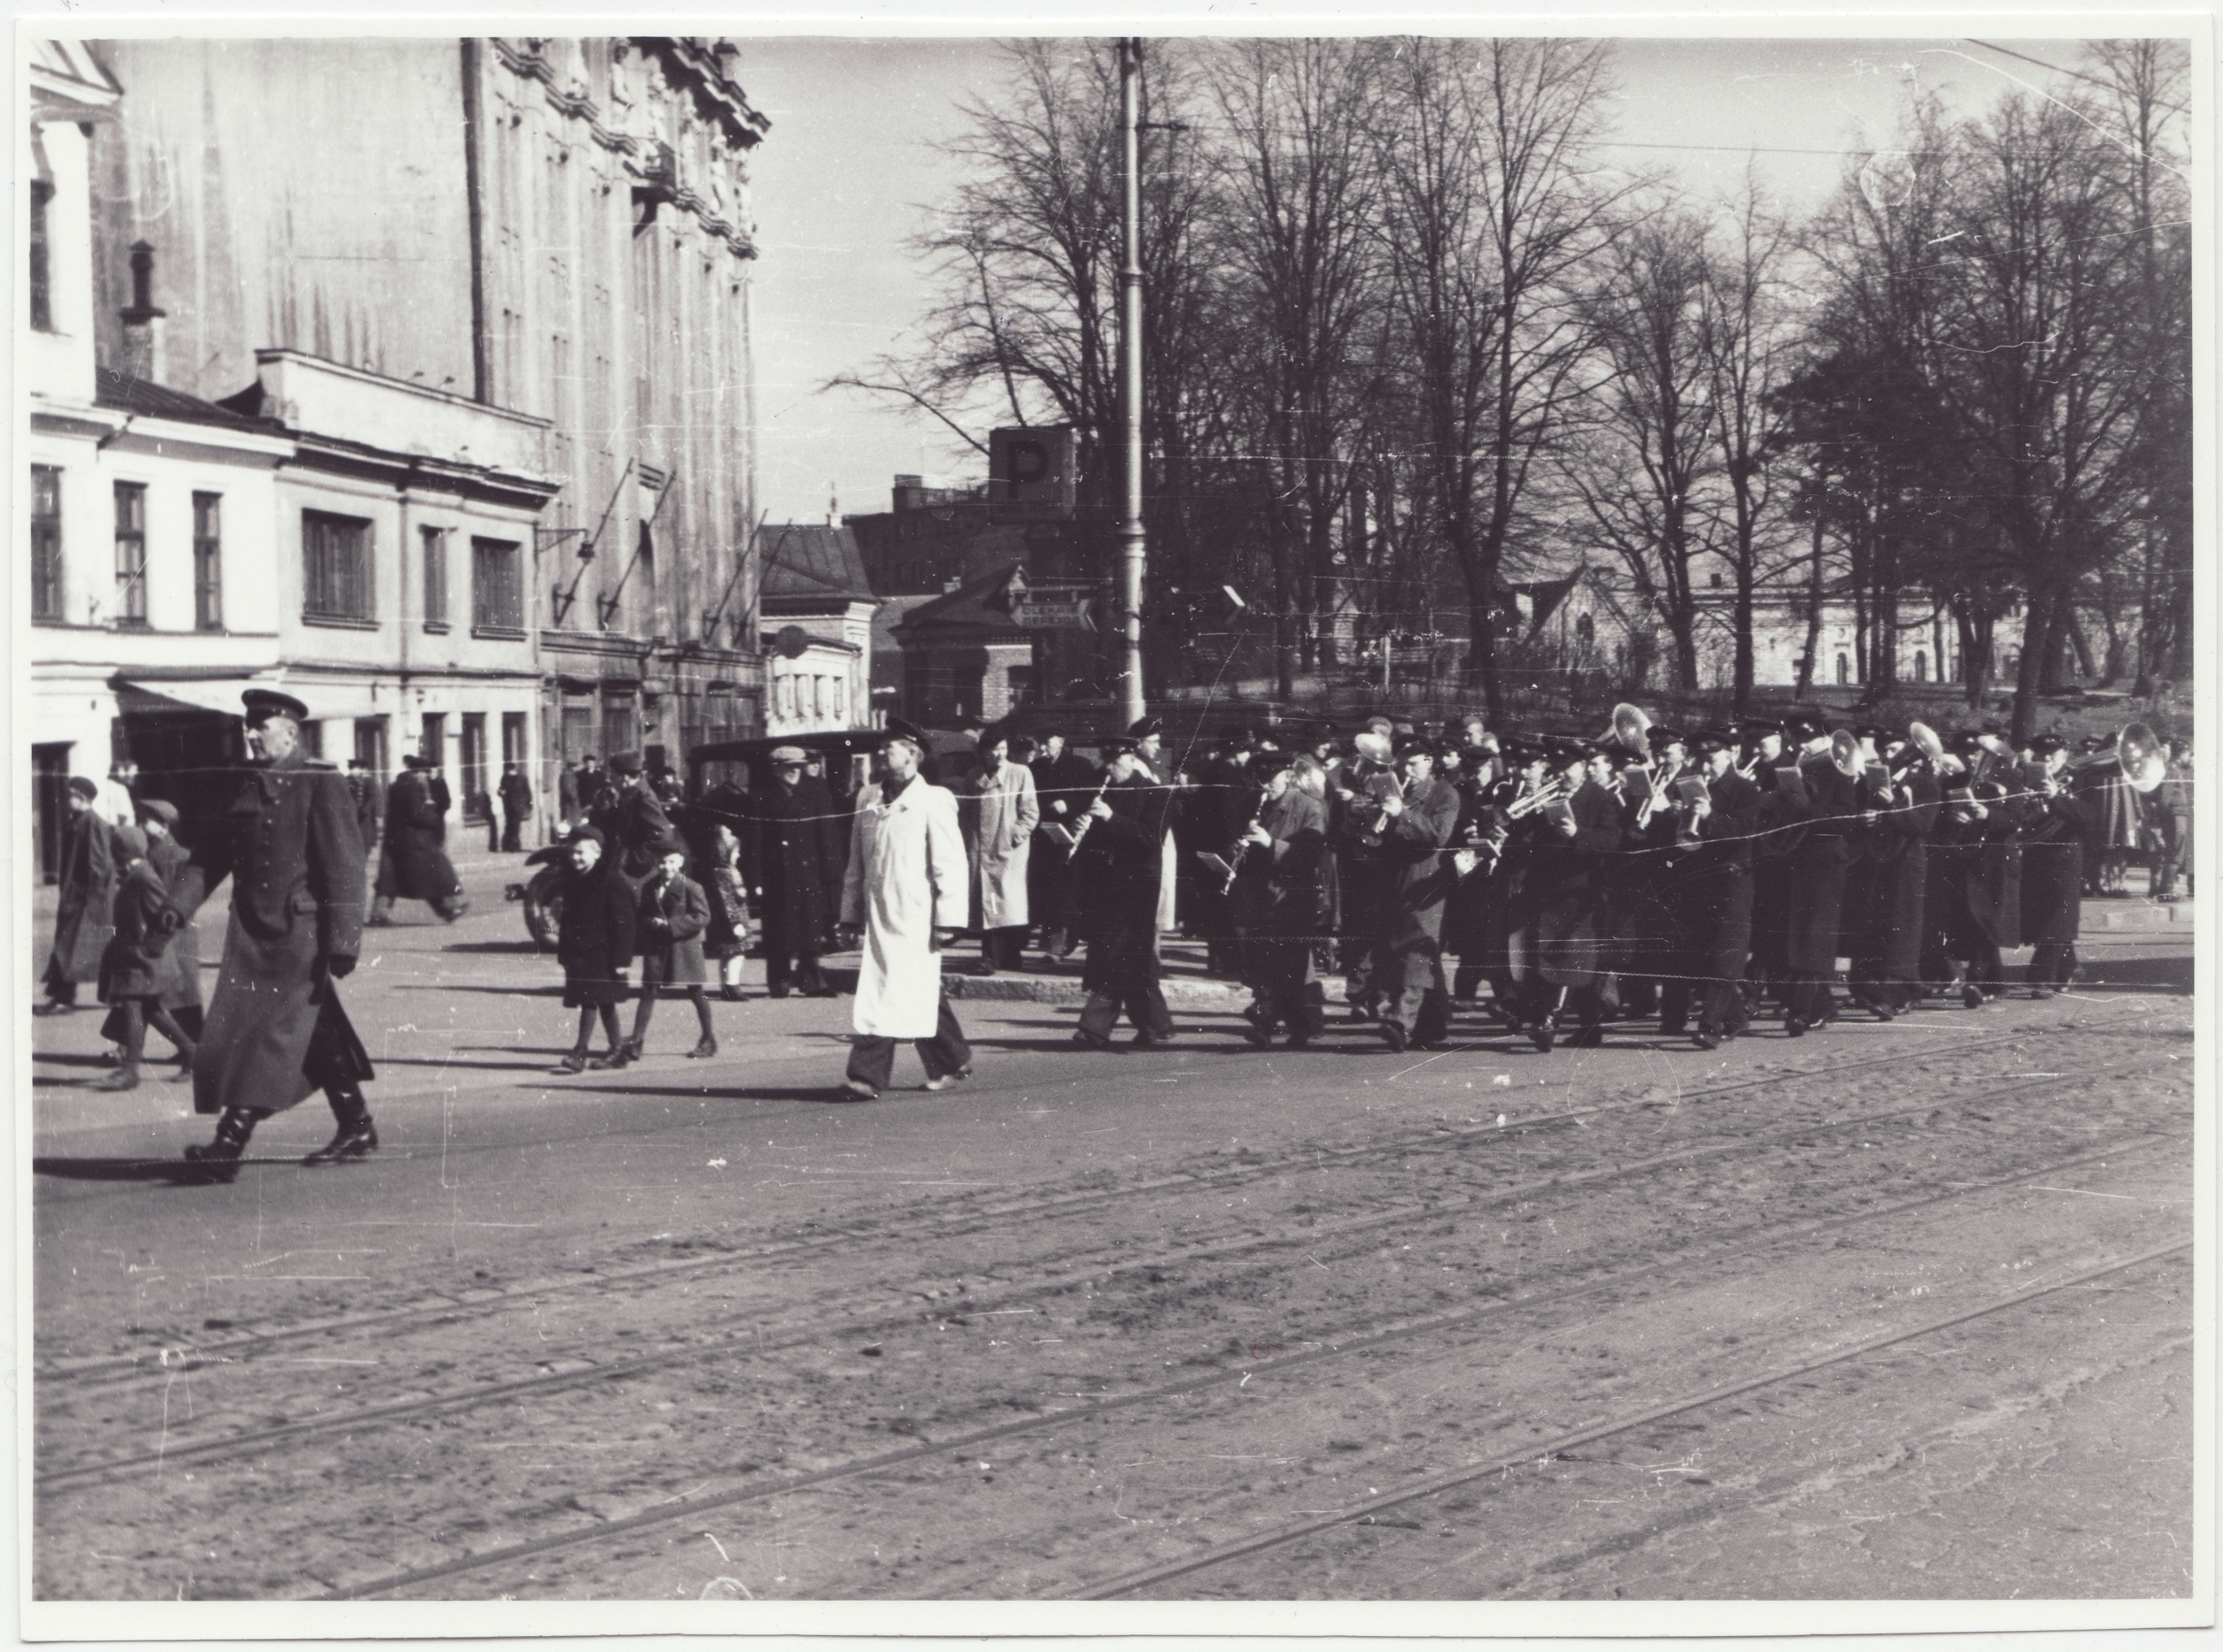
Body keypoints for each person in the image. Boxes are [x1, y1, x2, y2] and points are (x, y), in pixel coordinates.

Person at [169, 688, 377, 1177]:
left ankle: (228, 1145)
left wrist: (344, 941)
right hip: (252, 937)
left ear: (289, 730)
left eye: (260, 725)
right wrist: (175, 908)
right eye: (248, 725)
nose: (251, 733)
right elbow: (210, 854)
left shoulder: (319, 783)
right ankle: (357, 1124)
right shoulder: (246, 784)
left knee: (262, 1038)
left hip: (298, 936)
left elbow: (345, 867)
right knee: (311, 1032)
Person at [836, 723, 972, 1099]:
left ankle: (865, 1077)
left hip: (917, 915)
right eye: (881, 748)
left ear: (914, 755)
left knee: (886, 991)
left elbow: (951, 862)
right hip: (880, 913)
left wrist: (950, 919)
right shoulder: (867, 797)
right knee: (914, 988)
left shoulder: (935, 799)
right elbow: (855, 863)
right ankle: (951, 1059)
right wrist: (849, 915)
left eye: (891, 748)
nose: (883, 754)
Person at [1654, 729, 1763, 1049]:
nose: (1706, 767)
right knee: (1701, 954)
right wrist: (1673, 817)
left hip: (1732, 879)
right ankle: (1735, 1017)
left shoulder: (1745, 789)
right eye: (1701, 760)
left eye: (1712, 760)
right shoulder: (1689, 786)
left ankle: (1710, 1026)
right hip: (1697, 879)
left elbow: (1745, 831)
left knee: (1724, 954)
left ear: (1729, 755)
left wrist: (1709, 817)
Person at [1356, 739, 1463, 1053]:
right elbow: (1376, 839)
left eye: (1414, 763)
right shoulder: (1395, 789)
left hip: (1426, 881)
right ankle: (1436, 1022)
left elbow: (1435, 835)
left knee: (1417, 950)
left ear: (1430, 761)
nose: (1407, 770)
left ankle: (1399, 1021)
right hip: (1394, 880)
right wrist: (1376, 817)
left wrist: (1402, 813)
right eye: (1402, 764)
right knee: (1411, 951)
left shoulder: (1445, 793)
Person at [1072, 738, 1178, 1049]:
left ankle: (1094, 1028)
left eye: (1115, 761)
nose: (1109, 767)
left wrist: (1111, 818)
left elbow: (1149, 838)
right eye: (1105, 761)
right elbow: (1096, 846)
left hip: (1138, 888)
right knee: (1131, 958)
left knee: (1115, 953)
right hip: (1106, 887)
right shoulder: (1103, 793)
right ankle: (1156, 1026)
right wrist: (1079, 830)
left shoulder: (1156, 795)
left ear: (1132, 759)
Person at [1229, 752, 1332, 1046]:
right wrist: (1236, 852)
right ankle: (1296, 1026)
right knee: (1264, 963)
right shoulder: (1251, 805)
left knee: (1289, 967)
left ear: (1287, 775)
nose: (1264, 786)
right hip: (1260, 896)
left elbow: (1310, 854)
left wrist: (1270, 844)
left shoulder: (1309, 807)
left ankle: (1268, 1022)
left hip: (1293, 898)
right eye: (1259, 779)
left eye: (1270, 779)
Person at [91, 822, 197, 1091]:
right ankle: (192, 1054)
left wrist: (152, 947)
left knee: (132, 1006)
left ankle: (130, 1072)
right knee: (151, 1010)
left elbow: (165, 917)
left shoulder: (144, 877)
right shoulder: (133, 874)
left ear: (122, 851)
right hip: (136, 958)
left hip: (145, 959)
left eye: (114, 850)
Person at [745, 746, 844, 997]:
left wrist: (830, 873)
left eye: (798, 767)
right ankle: (779, 981)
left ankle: (814, 981)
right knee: (778, 929)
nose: (794, 772)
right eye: (788, 768)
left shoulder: (815, 793)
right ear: (776, 770)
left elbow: (828, 834)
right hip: (777, 875)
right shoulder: (761, 797)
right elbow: (754, 841)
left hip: (808, 873)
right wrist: (755, 878)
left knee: (810, 928)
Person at [546, 825, 638, 1073]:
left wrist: (622, 958)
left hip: (603, 954)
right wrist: (564, 952)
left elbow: (625, 921)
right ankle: (617, 1050)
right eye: (572, 852)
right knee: (604, 1002)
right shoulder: (574, 879)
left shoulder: (610, 879)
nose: (575, 857)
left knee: (589, 1001)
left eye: (581, 853)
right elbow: (567, 920)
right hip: (580, 954)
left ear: (597, 853)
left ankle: (580, 1053)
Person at [624, 834, 718, 1059]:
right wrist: (650, 923)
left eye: (671, 862)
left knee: (696, 991)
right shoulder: (649, 886)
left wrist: (670, 925)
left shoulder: (691, 887)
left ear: (681, 862)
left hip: (685, 947)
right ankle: (636, 1041)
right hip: (657, 947)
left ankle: (708, 1038)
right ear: (655, 864)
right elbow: (642, 914)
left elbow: (702, 917)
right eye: (661, 862)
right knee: (648, 991)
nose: (666, 867)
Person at [36, 775, 116, 1015]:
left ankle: (64, 999)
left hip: (84, 899)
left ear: (82, 797)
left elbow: (99, 864)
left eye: (71, 794)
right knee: (69, 947)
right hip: (74, 896)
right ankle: (64, 996)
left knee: (70, 948)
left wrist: (89, 898)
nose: (66, 799)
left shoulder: (93, 823)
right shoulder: (78, 820)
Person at [962, 731, 1038, 974]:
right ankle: (995, 956)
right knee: (990, 902)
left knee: (1004, 903)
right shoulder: (974, 776)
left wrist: (1014, 836)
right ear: (983, 751)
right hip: (981, 848)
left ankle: (1002, 956)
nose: (1000, 754)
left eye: (1003, 748)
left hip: (1008, 851)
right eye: (995, 749)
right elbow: (966, 811)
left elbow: (1030, 812)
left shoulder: (1020, 773)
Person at [2020, 735, 2089, 997]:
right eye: (2041, 753)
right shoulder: (2025, 778)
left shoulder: (2080, 779)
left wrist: (2057, 797)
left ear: (2064, 754)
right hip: (2035, 854)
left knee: (2058, 916)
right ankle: (2068, 968)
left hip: (2066, 857)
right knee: (2052, 918)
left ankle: (2041, 977)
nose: (2047, 758)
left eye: (2052, 753)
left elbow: (2087, 816)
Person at [370, 754, 469, 924]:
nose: (426, 776)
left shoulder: (396, 785)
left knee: (391, 879)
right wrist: (434, 818)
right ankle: (448, 909)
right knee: (432, 874)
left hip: (395, 839)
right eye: (425, 772)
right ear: (419, 772)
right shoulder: (414, 786)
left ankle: (379, 914)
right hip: (415, 841)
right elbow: (416, 814)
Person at [1028, 730, 1097, 958]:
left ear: (1062, 740)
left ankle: (1059, 944)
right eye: (1040, 743)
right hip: (1044, 839)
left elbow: (1091, 796)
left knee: (1065, 894)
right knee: (1047, 893)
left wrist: (1069, 805)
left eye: (1046, 742)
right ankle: (1050, 941)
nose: (1042, 748)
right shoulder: (1036, 768)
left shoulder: (1080, 765)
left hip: (1071, 839)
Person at [592, 752, 675, 881]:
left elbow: (662, 834)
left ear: (624, 777)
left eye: (612, 776)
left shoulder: (643, 797)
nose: (609, 780)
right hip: (621, 864)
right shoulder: (628, 793)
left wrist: (633, 860)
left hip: (635, 872)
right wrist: (603, 805)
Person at [703, 822, 752, 1000]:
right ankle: (732, 985)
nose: (738, 854)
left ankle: (726, 986)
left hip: (724, 920)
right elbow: (727, 900)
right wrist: (735, 923)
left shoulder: (720, 871)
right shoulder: (724, 873)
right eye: (735, 851)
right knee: (736, 954)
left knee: (727, 954)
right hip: (731, 920)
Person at [346, 760, 382, 854]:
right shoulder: (347, 779)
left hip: (363, 816)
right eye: (352, 768)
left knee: (364, 839)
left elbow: (373, 797)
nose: (353, 770)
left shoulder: (368, 780)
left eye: (355, 768)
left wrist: (365, 809)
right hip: (350, 815)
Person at [498, 763, 533, 853]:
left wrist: (529, 804)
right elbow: (501, 788)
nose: (508, 773)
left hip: (519, 805)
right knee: (509, 825)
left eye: (509, 771)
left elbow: (528, 791)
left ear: (514, 770)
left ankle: (514, 846)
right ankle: (507, 845)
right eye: (507, 771)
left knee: (515, 825)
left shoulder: (522, 778)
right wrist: (500, 792)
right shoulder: (505, 778)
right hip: (508, 805)